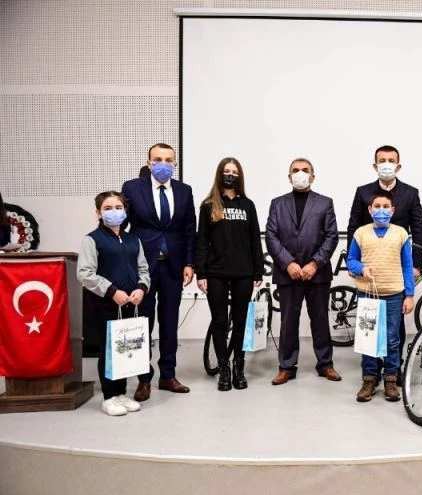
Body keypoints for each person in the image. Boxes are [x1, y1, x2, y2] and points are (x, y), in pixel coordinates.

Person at [121, 143, 197, 401]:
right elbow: (122, 226)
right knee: (143, 322)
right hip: (142, 267)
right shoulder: (132, 188)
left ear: (175, 164)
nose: (163, 164)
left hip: (173, 267)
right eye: (157, 159)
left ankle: (168, 375)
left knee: (169, 322)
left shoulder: (185, 191)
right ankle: (144, 379)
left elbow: (189, 230)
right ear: (149, 162)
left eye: (168, 160)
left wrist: (189, 263)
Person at [347, 145, 422, 373]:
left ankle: (394, 369)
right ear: (375, 165)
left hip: (396, 267)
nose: (387, 164)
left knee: (394, 324)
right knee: (370, 322)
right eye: (382, 160)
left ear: (398, 166)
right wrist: (353, 264)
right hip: (369, 266)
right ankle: (372, 370)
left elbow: (418, 229)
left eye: (391, 160)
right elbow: (353, 226)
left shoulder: (411, 193)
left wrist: (416, 265)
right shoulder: (363, 192)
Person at [265, 158, 340, 385]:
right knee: (288, 321)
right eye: (296, 170)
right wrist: (288, 263)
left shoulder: (325, 203)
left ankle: (325, 364)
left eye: (305, 170)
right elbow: (271, 235)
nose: (300, 173)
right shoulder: (277, 203)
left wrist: (315, 263)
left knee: (320, 320)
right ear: (289, 177)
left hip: (318, 273)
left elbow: (331, 236)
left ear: (313, 176)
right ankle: (286, 367)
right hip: (287, 274)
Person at [77, 191, 150, 416]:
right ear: (98, 213)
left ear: (125, 211)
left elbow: (143, 268)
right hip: (105, 304)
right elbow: (85, 273)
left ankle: (121, 393)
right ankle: (109, 397)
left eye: (118, 207)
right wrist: (111, 291)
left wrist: (141, 288)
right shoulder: (92, 240)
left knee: (124, 349)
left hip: (130, 304)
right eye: (107, 208)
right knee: (109, 349)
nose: (114, 212)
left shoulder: (133, 240)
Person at [195, 157, 265, 391]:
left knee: (241, 321)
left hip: (243, 272)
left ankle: (238, 367)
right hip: (216, 273)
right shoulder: (208, 205)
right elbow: (202, 241)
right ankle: (223, 368)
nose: (230, 175)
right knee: (219, 322)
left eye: (235, 172)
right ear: (219, 174)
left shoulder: (248, 205)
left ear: (240, 176)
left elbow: (255, 239)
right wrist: (201, 273)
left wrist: (258, 270)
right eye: (227, 171)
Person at [347, 191, 414, 402]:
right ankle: (369, 379)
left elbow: (408, 266)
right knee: (368, 337)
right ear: (370, 209)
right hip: (367, 294)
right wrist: (361, 268)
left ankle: (390, 379)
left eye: (386, 207)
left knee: (392, 339)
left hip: (394, 294)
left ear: (393, 210)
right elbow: (351, 260)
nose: (381, 210)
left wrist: (409, 295)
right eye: (377, 206)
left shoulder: (401, 233)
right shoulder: (360, 233)